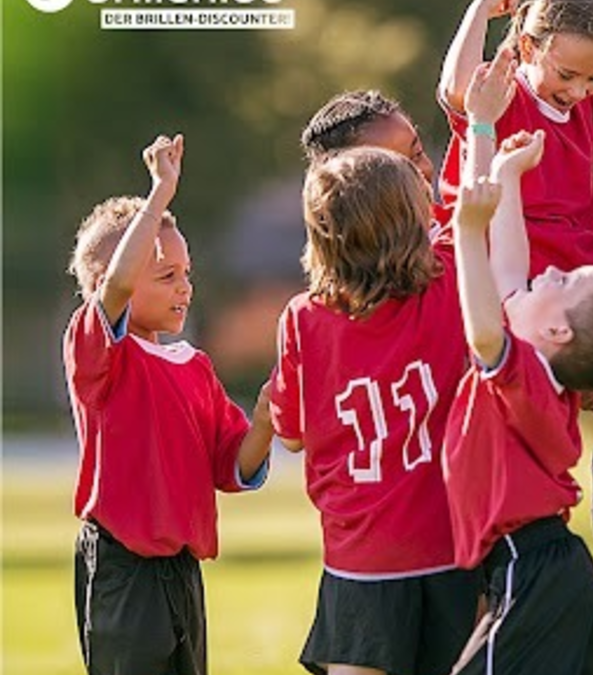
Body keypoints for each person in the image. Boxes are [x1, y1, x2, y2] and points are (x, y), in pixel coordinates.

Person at [442, 124, 593, 675]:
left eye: (560, 282)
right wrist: (510, 178)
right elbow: (509, 272)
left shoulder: (525, 376)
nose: (549, 271)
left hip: (530, 568)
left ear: (558, 333)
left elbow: (484, 330)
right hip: (542, 567)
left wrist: (468, 229)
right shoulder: (540, 369)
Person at [64, 134, 273, 675]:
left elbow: (233, 464)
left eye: (187, 274)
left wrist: (268, 418)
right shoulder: (99, 354)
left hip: (180, 573)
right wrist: (158, 195)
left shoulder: (195, 368)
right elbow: (116, 284)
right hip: (122, 569)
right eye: (166, 276)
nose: (185, 288)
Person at [269, 144, 481, 675]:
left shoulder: (301, 318)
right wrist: (479, 122)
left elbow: (292, 435)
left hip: (359, 556)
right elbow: (477, 212)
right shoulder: (450, 283)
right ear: (413, 219)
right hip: (451, 546)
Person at [438, 0, 593, 274]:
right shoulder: (498, 96)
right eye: (566, 75)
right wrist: (481, 8)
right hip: (512, 286)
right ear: (528, 48)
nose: (577, 91)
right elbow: (460, 89)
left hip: (579, 289)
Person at [300, 89, 452, 226]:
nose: (418, 174)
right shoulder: (460, 242)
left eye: (417, 154)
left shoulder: (455, 229)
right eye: (391, 172)